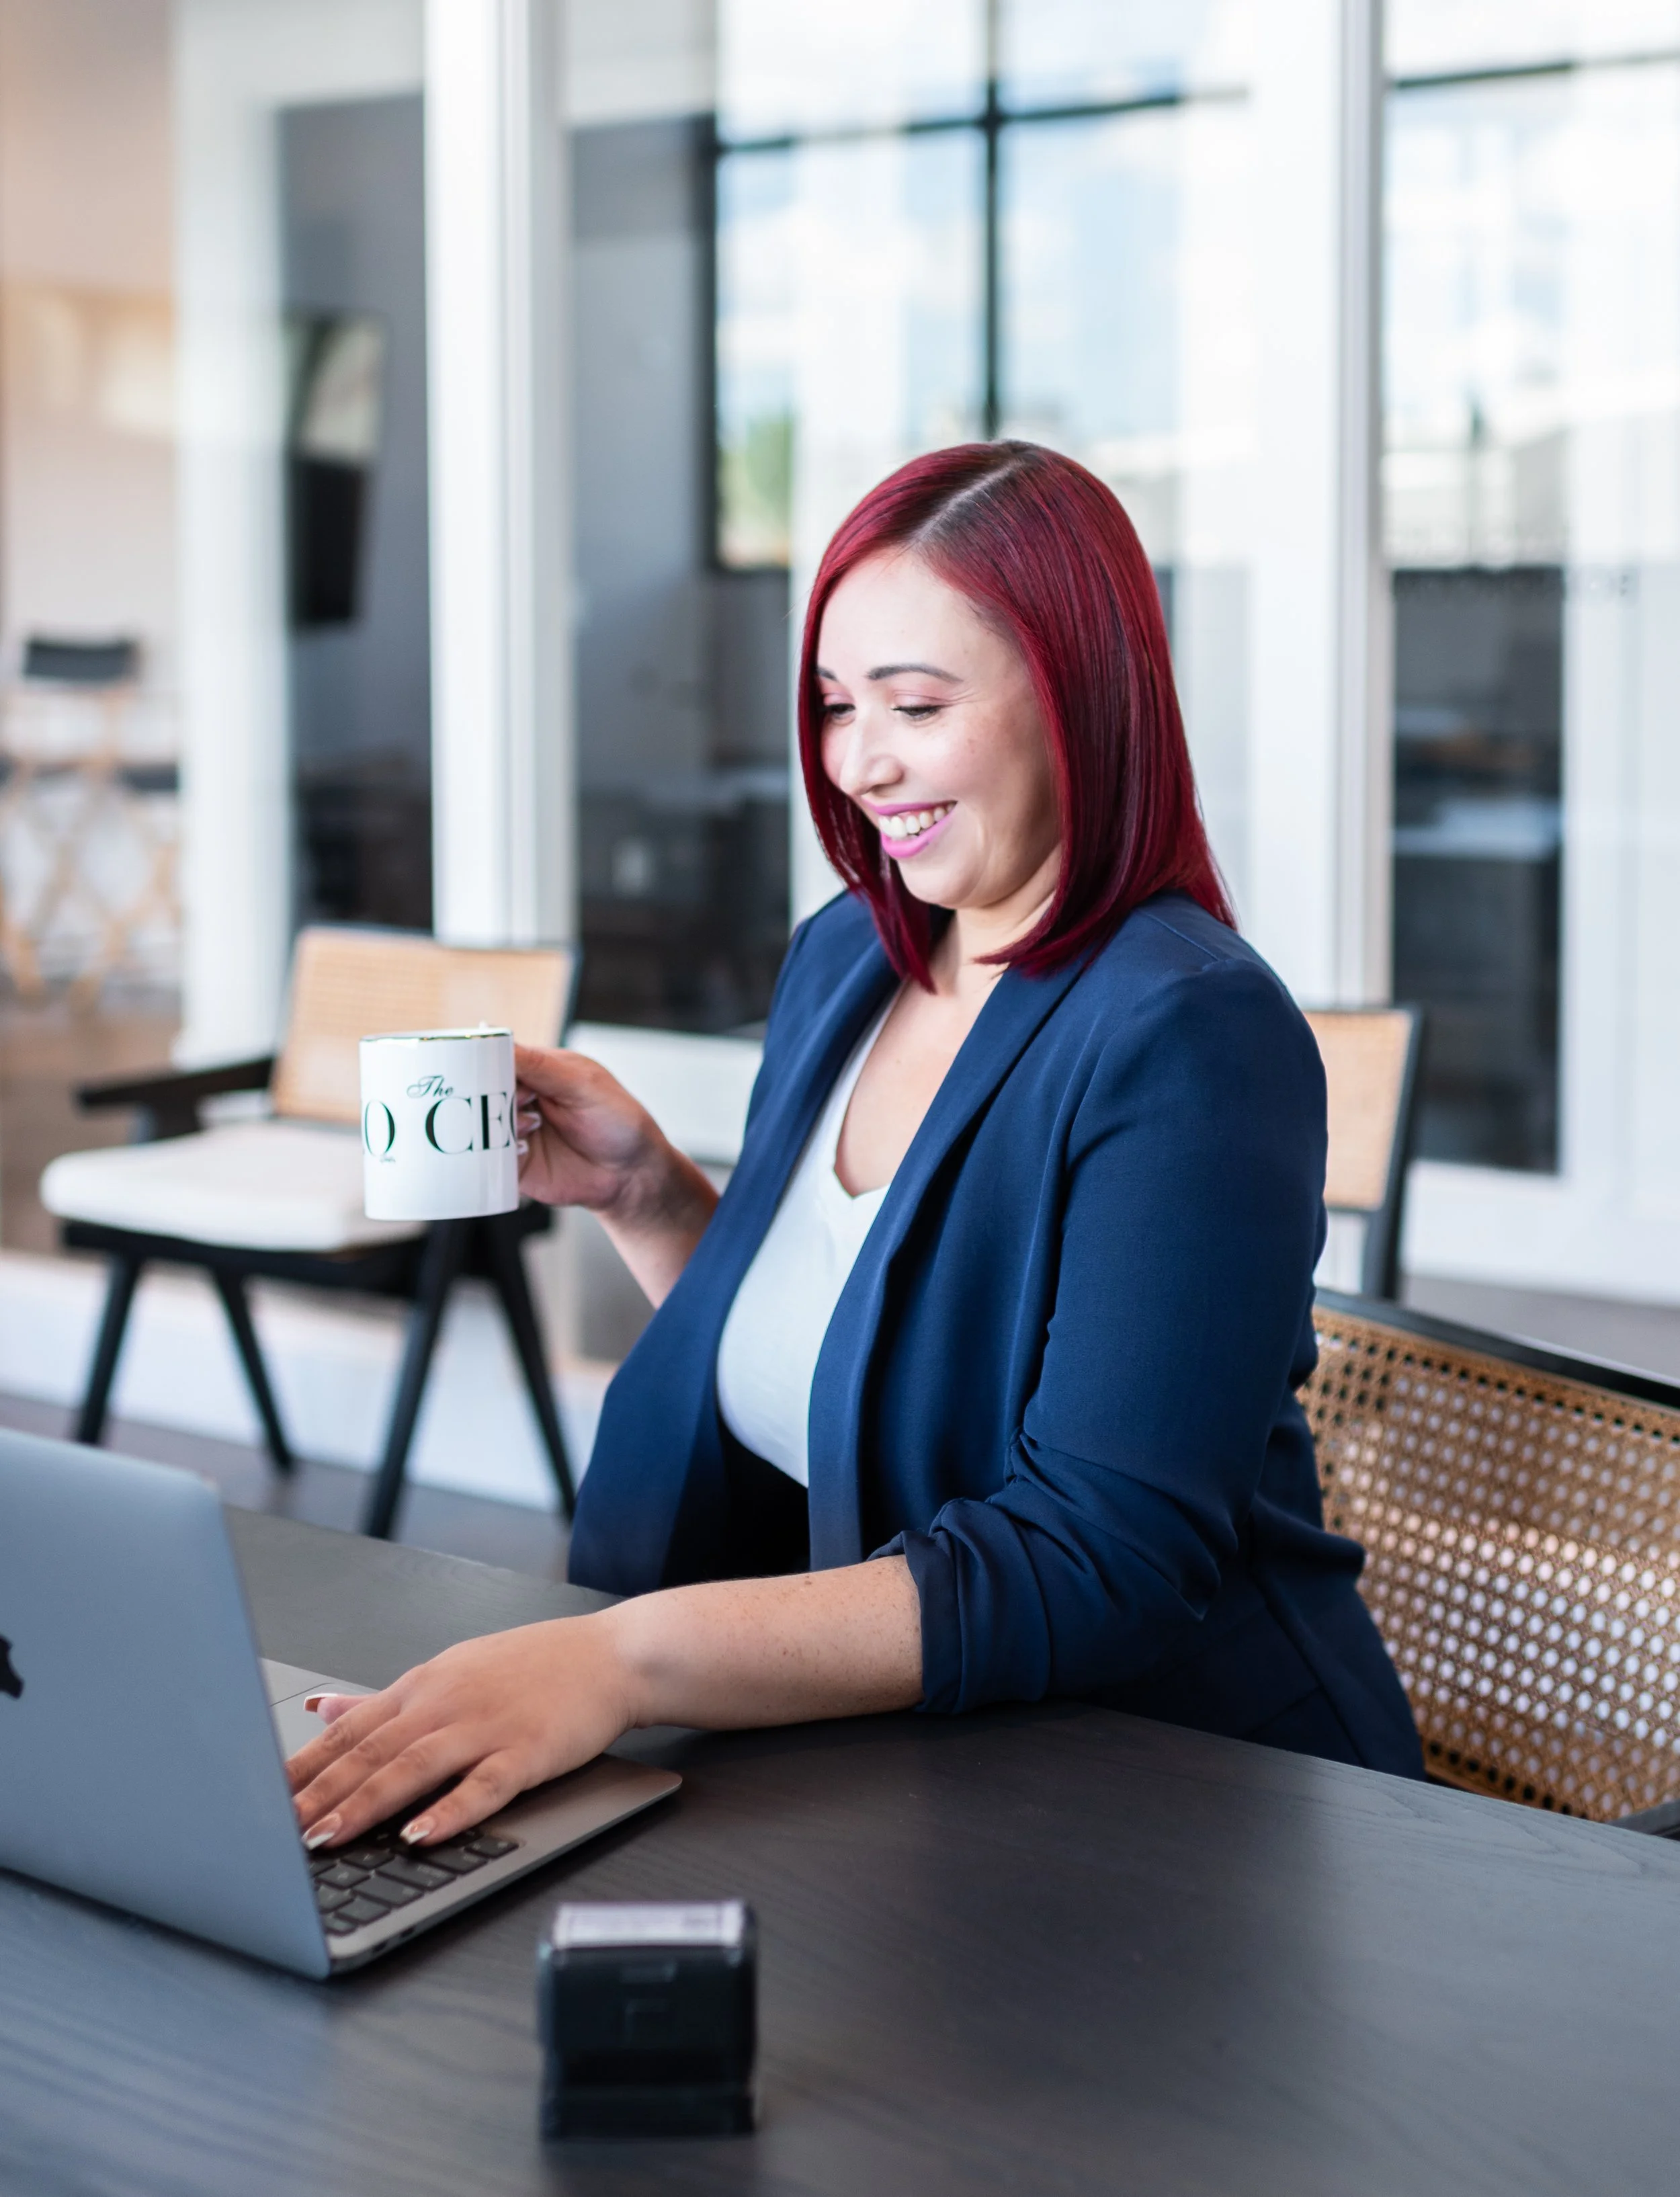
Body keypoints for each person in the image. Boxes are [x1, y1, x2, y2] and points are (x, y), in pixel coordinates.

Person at [289, 441, 1422, 1856]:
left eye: (914, 703)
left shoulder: (1188, 1030)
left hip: (1176, 1800)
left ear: (1077, 699)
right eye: (835, 704)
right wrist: (647, 1197)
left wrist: (615, 1659)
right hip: (943, 1762)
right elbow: (863, 1369)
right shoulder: (849, 958)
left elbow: (1098, 1556)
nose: (859, 758)